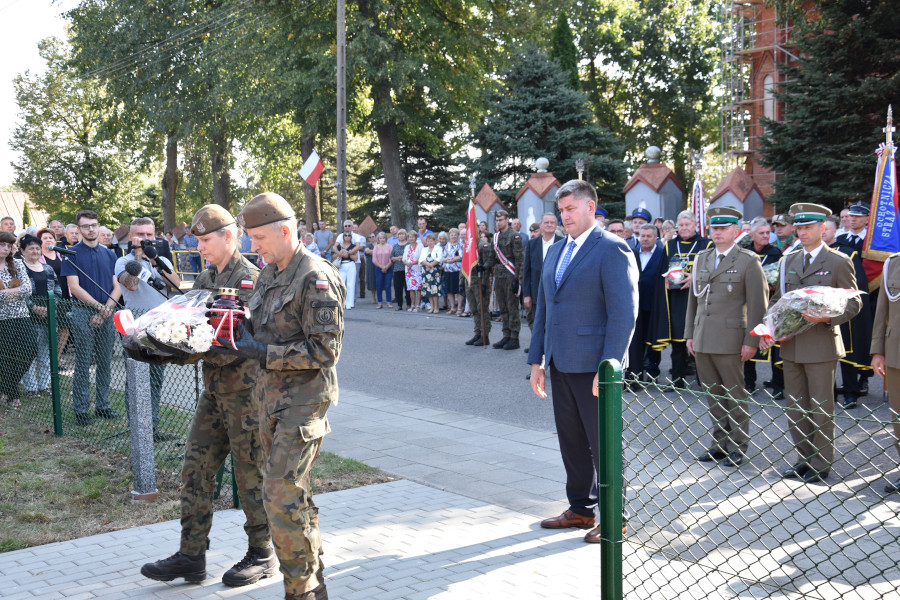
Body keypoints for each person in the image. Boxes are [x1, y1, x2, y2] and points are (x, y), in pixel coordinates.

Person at [214, 192, 345, 600]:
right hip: (268, 400)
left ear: (285, 231)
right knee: (293, 498)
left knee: (280, 494)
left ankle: (301, 592)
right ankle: (313, 586)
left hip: (304, 404)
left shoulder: (315, 277)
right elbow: (259, 321)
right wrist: (233, 327)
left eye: (258, 238)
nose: (253, 247)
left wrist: (262, 352)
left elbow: (325, 352)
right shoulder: (270, 273)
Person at [139, 204, 275, 589]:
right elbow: (196, 328)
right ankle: (191, 556)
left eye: (204, 240)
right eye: (196, 240)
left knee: (251, 477)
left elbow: (248, 340)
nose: (198, 247)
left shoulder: (251, 279)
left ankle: (262, 554)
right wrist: (164, 345)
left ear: (228, 236)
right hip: (214, 392)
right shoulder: (206, 275)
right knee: (195, 472)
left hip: (246, 396)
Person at [528, 179, 638, 544]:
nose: (564, 217)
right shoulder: (557, 250)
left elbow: (624, 313)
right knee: (572, 443)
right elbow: (546, 308)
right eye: (561, 211)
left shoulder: (612, 248)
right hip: (560, 362)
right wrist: (537, 360)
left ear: (591, 207)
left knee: (603, 443)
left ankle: (614, 518)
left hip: (594, 367)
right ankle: (580, 509)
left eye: (571, 209)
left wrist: (609, 366)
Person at [760, 203, 861, 484]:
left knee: (820, 407)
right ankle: (803, 458)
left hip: (821, 345)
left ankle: (820, 463)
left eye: (808, 227)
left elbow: (854, 302)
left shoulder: (838, 261)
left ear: (823, 228)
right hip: (791, 344)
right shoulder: (789, 260)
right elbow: (779, 300)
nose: (802, 232)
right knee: (795, 407)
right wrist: (769, 327)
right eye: (799, 227)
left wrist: (825, 317)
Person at [685, 207, 768, 468]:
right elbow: (693, 302)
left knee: (735, 394)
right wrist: (689, 334)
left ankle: (738, 446)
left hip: (732, 339)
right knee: (712, 394)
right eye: (714, 228)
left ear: (736, 231)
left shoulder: (747, 260)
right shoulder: (702, 258)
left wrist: (752, 340)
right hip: (703, 336)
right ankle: (719, 443)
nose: (717, 233)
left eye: (723, 228)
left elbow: (758, 305)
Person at [115, 217, 182, 438]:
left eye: (149, 235)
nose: (145, 239)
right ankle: (136, 426)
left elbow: (176, 284)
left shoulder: (161, 259)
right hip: (136, 325)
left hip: (161, 324)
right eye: (140, 235)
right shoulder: (123, 262)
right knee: (136, 376)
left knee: (157, 376)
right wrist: (137, 257)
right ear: (131, 237)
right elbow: (131, 286)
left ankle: (152, 427)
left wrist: (155, 262)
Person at [62, 209, 123, 426]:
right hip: (82, 311)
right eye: (86, 226)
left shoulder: (110, 254)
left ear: (98, 226)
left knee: (105, 361)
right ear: (78, 229)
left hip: (108, 311)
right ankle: (81, 410)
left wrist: (106, 309)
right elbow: (74, 287)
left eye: (94, 225)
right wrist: (98, 308)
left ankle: (103, 406)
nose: (91, 229)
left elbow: (117, 285)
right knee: (83, 361)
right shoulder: (71, 254)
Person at [651, 210, 713, 386]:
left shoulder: (706, 245)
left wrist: (694, 278)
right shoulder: (670, 245)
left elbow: (712, 272)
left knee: (700, 343)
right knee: (677, 345)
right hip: (676, 300)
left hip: (699, 300)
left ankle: (704, 381)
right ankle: (678, 380)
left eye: (688, 224)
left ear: (695, 225)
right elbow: (662, 271)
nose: (684, 228)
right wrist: (666, 280)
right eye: (682, 225)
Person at [825, 216, 873, 409]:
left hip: (842, 311)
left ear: (834, 231)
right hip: (817, 314)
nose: (824, 233)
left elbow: (858, 284)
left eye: (827, 229)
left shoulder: (847, 253)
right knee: (824, 354)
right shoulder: (810, 254)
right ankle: (829, 391)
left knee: (847, 352)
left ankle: (851, 392)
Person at [870, 250, 900, 493]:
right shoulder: (893, 263)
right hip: (896, 352)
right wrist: (877, 351)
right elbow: (882, 311)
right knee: (898, 417)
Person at [745, 217, 783, 395]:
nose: (766, 236)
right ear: (752, 235)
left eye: (768, 233)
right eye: (761, 233)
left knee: (774, 344)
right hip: (749, 305)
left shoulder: (775, 253)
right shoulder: (745, 253)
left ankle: (778, 385)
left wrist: (774, 285)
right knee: (750, 339)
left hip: (771, 304)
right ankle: (749, 382)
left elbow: (782, 279)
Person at [20, 234, 61, 398]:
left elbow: (57, 290)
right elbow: (21, 294)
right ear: (22, 251)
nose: (35, 251)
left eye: (38, 248)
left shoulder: (48, 269)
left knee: (45, 353)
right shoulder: (19, 269)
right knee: (28, 354)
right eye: (31, 248)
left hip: (49, 317)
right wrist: (34, 307)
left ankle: (44, 385)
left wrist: (50, 307)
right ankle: (31, 388)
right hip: (28, 318)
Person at [627, 224, 665, 385]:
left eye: (649, 236)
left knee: (654, 340)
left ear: (656, 237)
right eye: (643, 236)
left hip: (654, 305)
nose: (645, 239)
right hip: (636, 305)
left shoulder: (663, 254)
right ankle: (637, 373)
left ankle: (652, 371)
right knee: (637, 342)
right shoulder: (632, 253)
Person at [523, 213, 563, 331]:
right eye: (546, 222)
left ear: (556, 226)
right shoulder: (532, 244)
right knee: (538, 324)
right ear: (540, 225)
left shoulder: (563, 243)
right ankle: (539, 348)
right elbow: (527, 271)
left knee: (556, 325)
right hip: (536, 293)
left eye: (552, 222)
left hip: (556, 293)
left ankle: (553, 349)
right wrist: (527, 295)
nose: (549, 225)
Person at [492, 210, 525, 350]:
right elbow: (494, 257)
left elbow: (519, 259)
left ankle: (514, 337)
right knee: (503, 307)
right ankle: (506, 335)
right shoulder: (496, 237)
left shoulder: (515, 236)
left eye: (501, 220)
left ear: (507, 220)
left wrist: (518, 279)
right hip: (499, 276)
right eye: (497, 220)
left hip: (511, 275)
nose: (498, 222)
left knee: (512, 308)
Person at [38, 227, 71, 355]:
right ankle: (47, 356)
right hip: (48, 297)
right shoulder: (39, 257)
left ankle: (56, 357)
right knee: (49, 328)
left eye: (50, 238)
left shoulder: (61, 255)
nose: (48, 240)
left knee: (65, 327)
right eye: (44, 238)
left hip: (65, 295)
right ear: (39, 241)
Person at [465, 231, 496, 346]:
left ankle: (485, 335)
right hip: (469, 281)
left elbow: (487, 266)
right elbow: (464, 265)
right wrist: (461, 282)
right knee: (474, 309)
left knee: (482, 309)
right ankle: (477, 332)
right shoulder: (467, 245)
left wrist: (483, 283)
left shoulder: (484, 245)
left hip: (480, 281)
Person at [332, 231, 358, 310]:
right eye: (345, 235)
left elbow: (356, 258)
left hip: (350, 265)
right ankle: (341, 302)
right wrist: (340, 254)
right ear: (343, 237)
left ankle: (350, 303)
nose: (347, 236)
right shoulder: (339, 246)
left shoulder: (353, 246)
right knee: (341, 284)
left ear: (351, 237)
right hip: (342, 265)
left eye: (349, 235)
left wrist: (348, 253)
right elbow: (334, 257)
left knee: (351, 284)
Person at [419, 233, 443, 314]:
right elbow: (421, 259)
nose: (429, 242)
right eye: (428, 241)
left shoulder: (438, 248)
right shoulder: (424, 249)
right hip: (426, 271)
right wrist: (428, 265)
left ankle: (436, 307)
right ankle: (432, 307)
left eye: (431, 241)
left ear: (434, 241)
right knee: (428, 290)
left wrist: (431, 265)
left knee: (434, 290)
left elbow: (439, 258)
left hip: (435, 272)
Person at [442, 228, 463, 315]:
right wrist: (447, 260)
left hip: (457, 270)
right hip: (448, 271)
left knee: (458, 290)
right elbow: (443, 258)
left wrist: (453, 259)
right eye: (452, 235)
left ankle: (459, 308)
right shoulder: (447, 245)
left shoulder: (461, 245)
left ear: (458, 236)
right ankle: (452, 307)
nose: (453, 236)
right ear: (449, 236)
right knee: (449, 290)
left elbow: (461, 257)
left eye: (455, 235)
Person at [371, 231, 393, 308]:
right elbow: (374, 260)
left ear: (386, 238)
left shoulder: (390, 247)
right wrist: (381, 267)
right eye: (380, 238)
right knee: (379, 285)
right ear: (378, 239)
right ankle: (379, 302)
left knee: (387, 285)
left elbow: (392, 258)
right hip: (378, 268)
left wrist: (386, 267)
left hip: (389, 268)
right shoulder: (375, 247)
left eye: (383, 238)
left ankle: (389, 302)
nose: (382, 239)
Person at [390, 229, 409, 310]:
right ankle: (399, 304)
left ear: (406, 235)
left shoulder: (408, 245)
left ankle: (409, 304)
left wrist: (404, 258)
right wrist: (398, 258)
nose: (401, 236)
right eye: (400, 234)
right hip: (397, 269)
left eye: (403, 234)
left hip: (407, 269)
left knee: (407, 288)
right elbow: (391, 257)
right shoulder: (395, 246)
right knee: (398, 288)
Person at [404, 232, 423, 312]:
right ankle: (412, 305)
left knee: (418, 288)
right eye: (409, 237)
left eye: (412, 237)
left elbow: (421, 258)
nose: (411, 238)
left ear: (415, 237)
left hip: (417, 269)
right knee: (411, 289)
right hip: (408, 270)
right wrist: (406, 263)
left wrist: (412, 263)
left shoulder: (420, 245)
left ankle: (418, 305)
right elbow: (404, 258)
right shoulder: (407, 246)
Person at [364, 232, 377, 303]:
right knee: (371, 281)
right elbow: (367, 251)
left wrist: (372, 252)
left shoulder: (379, 245)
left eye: (373, 236)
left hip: (379, 264)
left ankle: (379, 297)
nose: (372, 238)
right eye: (370, 237)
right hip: (371, 265)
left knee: (379, 281)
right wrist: (377, 251)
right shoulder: (368, 246)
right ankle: (373, 297)